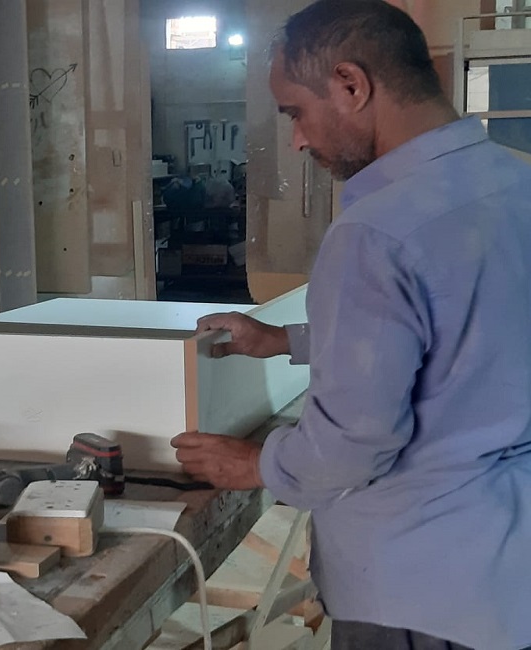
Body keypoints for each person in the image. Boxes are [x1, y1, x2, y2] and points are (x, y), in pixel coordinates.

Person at [169, 2, 531, 649]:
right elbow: (472, 334)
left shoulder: (375, 231)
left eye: (295, 113)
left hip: (418, 588)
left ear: (350, 84)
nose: (298, 140)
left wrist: (255, 463)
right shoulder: (511, 182)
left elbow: (352, 445)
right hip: (505, 570)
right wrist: (284, 341)